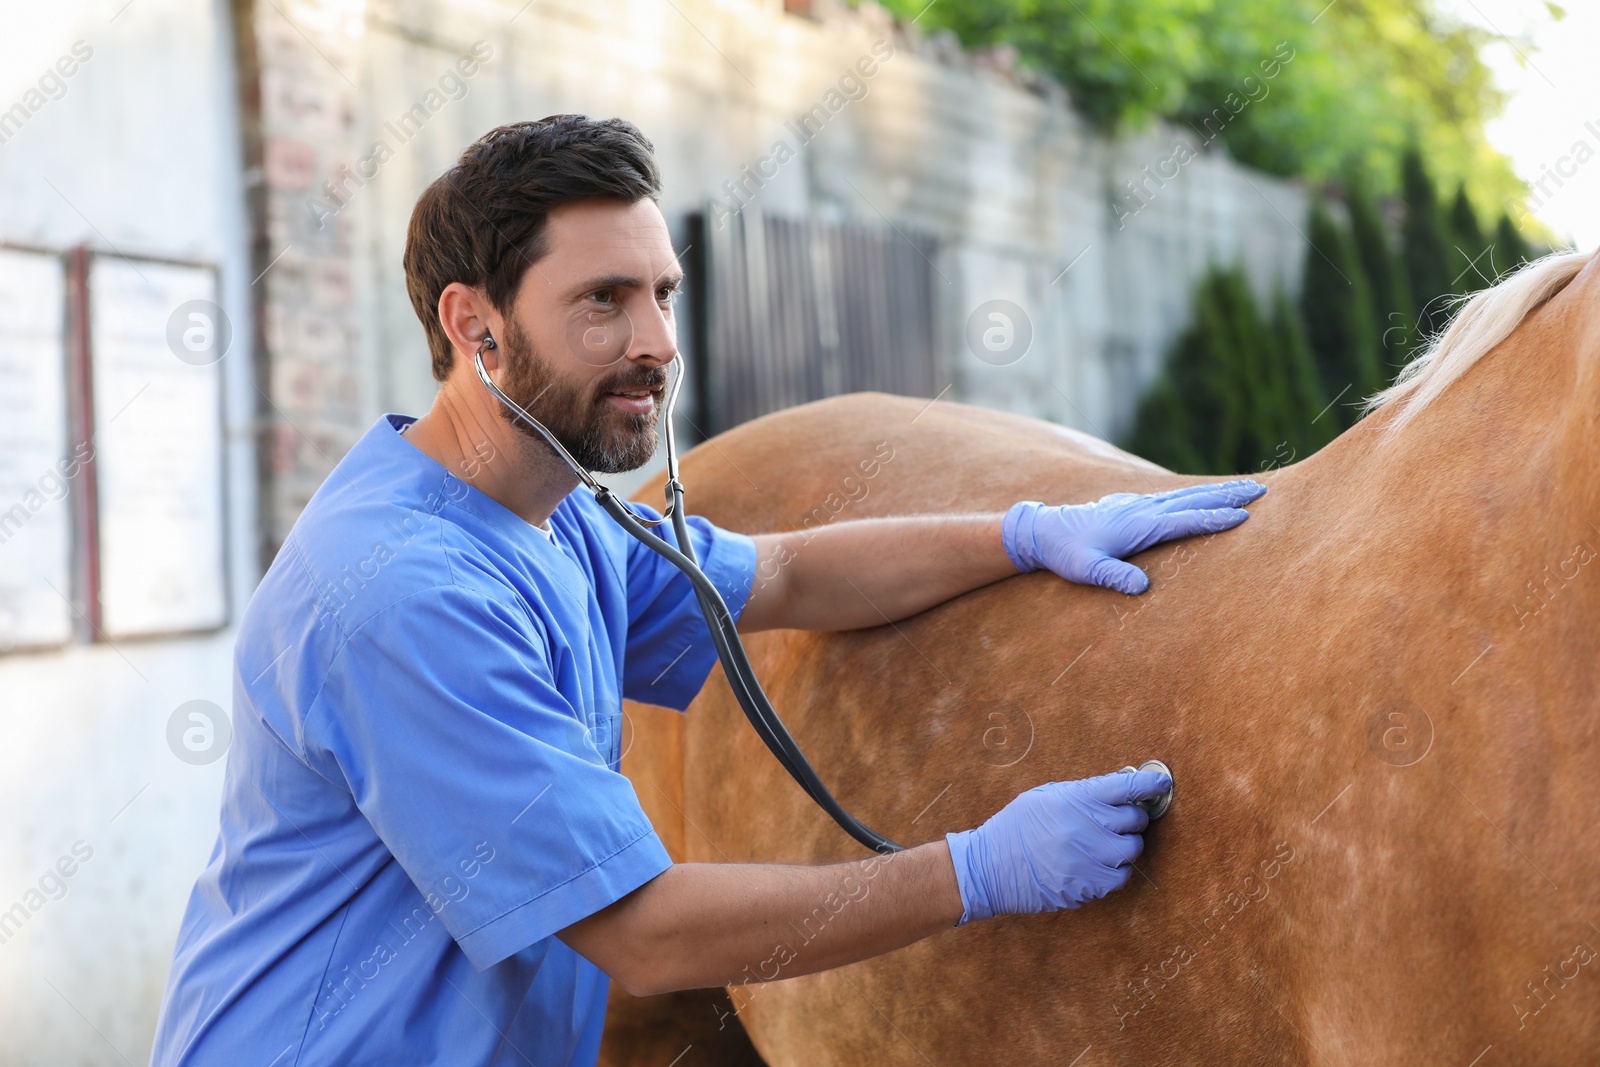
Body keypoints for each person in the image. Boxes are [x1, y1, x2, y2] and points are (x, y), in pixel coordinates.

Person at [150, 115, 1266, 1067]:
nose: (656, 343)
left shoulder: (555, 516)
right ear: (472, 324)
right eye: (602, 301)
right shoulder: (404, 591)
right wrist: (976, 869)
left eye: (662, 292)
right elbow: (644, 933)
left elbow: (782, 572)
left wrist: (1025, 533)